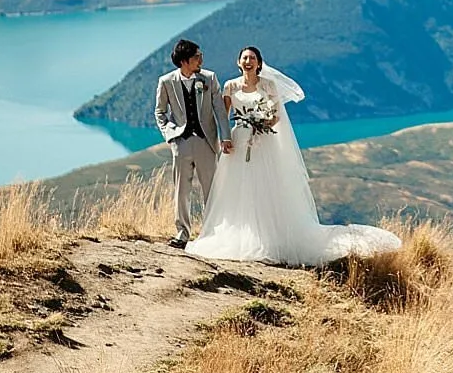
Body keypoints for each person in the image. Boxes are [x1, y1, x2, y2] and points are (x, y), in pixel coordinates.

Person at [186, 46, 402, 265]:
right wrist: (226, 139)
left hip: (264, 142)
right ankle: (242, 233)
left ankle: (271, 237)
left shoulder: (268, 85)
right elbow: (224, 115)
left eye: (252, 58)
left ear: (259, 63)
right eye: (244, 58)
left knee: (265, 185)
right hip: (239, 141)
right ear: (238, 62)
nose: (248, 61)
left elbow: (277, 115)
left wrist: (262, 124)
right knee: (237, 187)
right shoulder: (230, 86)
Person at [154, 38, 231, 248]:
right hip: (181, 143)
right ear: (185, 61)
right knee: (181, 190)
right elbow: (160, 112)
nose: (201, 59)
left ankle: (214, 233)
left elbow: (219, 110)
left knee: (211, 190)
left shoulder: (209, 78)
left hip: (206, 141)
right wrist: (171, 135)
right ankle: (182, 234)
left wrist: (225, 137)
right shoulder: (166, 82)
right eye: (197, 56)